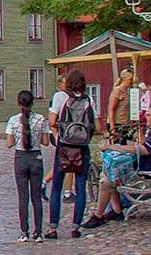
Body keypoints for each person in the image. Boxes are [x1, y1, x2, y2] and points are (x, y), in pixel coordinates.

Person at [83, 104, 151, 229]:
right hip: (143, 175)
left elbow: (140, 149)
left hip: (147, 179)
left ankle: (98, 215)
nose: (146, 116)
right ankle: (117, 211)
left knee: (107, 181)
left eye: (149, 114)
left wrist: (112, 147)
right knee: (106, 173)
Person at [45, 68, 97, 239]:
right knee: (80, 188)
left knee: (57, 187)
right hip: (82, 147)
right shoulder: (88, 99)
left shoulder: (60, 96)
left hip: (64, 146)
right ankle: (76, 227)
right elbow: (96, 125)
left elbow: (52, 121)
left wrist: (61, 129)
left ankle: (53, 228)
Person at [7, 89, 49, 242]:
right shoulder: (40, 119)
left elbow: (9, 143)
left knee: (23, 197)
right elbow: (45, 142)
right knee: (36, 197)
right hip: (36, 157)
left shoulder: (13, 120)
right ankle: (38, 232)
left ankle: (24, 232)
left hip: (20, 158)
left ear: (19, 104)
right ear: (33, 103)